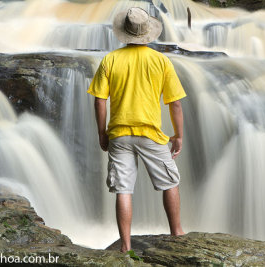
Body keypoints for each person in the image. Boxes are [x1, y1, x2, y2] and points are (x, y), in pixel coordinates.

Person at [87, 7, 186, 253]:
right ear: (147, 33)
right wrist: (178, 135)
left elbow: (100, 100)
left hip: (119, 134)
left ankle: (126, 246)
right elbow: (175, 103)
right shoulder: (161, 61)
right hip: (151, 133)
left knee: (123, 189)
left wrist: (102, 132)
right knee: (170, 182)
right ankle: (177, 233)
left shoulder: (110, 60)